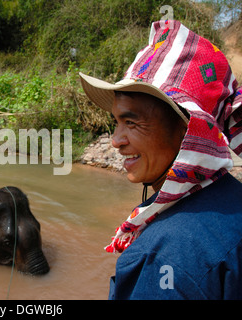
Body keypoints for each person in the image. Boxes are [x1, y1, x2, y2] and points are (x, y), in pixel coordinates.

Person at [79, 20, 242, 299]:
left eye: (132, 122)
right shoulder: (232, 199)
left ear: (189, 128)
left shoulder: (162, 255)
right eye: (116, 122)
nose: (116, 140)